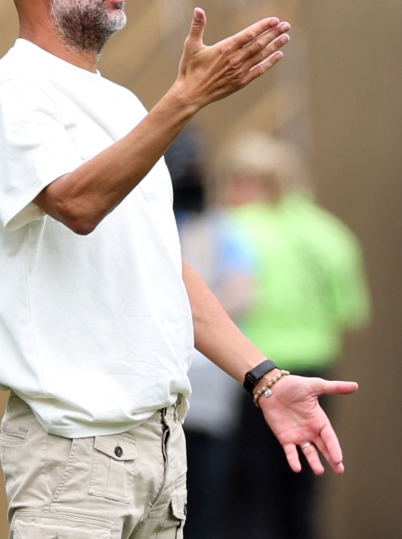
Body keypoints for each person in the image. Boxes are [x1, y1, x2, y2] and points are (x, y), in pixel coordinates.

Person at [0, 0, 358, 539]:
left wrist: (263, 378)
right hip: (73, 453)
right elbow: (77, 203)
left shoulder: (119, 104)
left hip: (157, 452)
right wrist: (183, 102)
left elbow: (159, 267)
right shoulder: (14, 92)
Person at [217, 133, 371, 539]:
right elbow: (351, 317)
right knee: (302, 489)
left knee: (246, 493)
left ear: (244, 182)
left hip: (249, 373)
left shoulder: (233, 229)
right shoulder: (329, 233)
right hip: (314, 374)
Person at [165, 131, 255, 539]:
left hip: (210, 387)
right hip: (163, 386)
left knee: (209, 496)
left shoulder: (220, 229)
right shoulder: (154, 220)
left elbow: (242, 291)